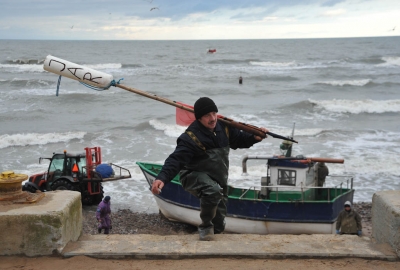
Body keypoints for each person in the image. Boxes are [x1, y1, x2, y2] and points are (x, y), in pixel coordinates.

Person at [151, 97, 267, 241]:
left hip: (218, 178)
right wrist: (162, 178)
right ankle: (205, 227)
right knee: (212, 191)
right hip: (192, 176)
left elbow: (239, 140)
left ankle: (213, 236)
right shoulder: (191, 137)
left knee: (219, 221)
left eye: (214, 113)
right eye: (207, 115)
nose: (212, 118)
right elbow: (176, 159)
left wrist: (254, 137)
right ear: (199, 118)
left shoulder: (224, 127)